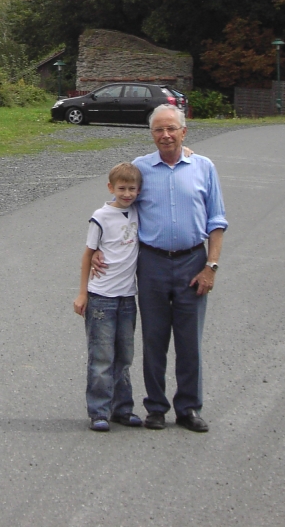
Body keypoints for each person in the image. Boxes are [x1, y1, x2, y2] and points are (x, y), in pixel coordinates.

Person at [93, 105, 226, 432]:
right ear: (151, 134)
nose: (165, 135)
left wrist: (211, 266)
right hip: (151, 262)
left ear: (184, 132)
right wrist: (97, 246)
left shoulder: (204, 167)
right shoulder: (141, 168)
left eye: (171, 129)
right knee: (154, 339)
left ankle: (189, 408)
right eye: (158, 130)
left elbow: (217, 220)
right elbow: (119, 204)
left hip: (193, 262)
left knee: (189, 341)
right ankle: (155, 407)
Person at [74, 162, 144, 432]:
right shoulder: (101, 217)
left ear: (139, 190)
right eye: (122, 188)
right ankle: (99, 411)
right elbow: (88, 254)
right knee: (102, 357)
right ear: (110, 188)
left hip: (127, 297)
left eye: (132, 189)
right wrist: (83, 293)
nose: (127, 194)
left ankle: (122, 408)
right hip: (101, 297)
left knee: (124, 356)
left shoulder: (137, 211)